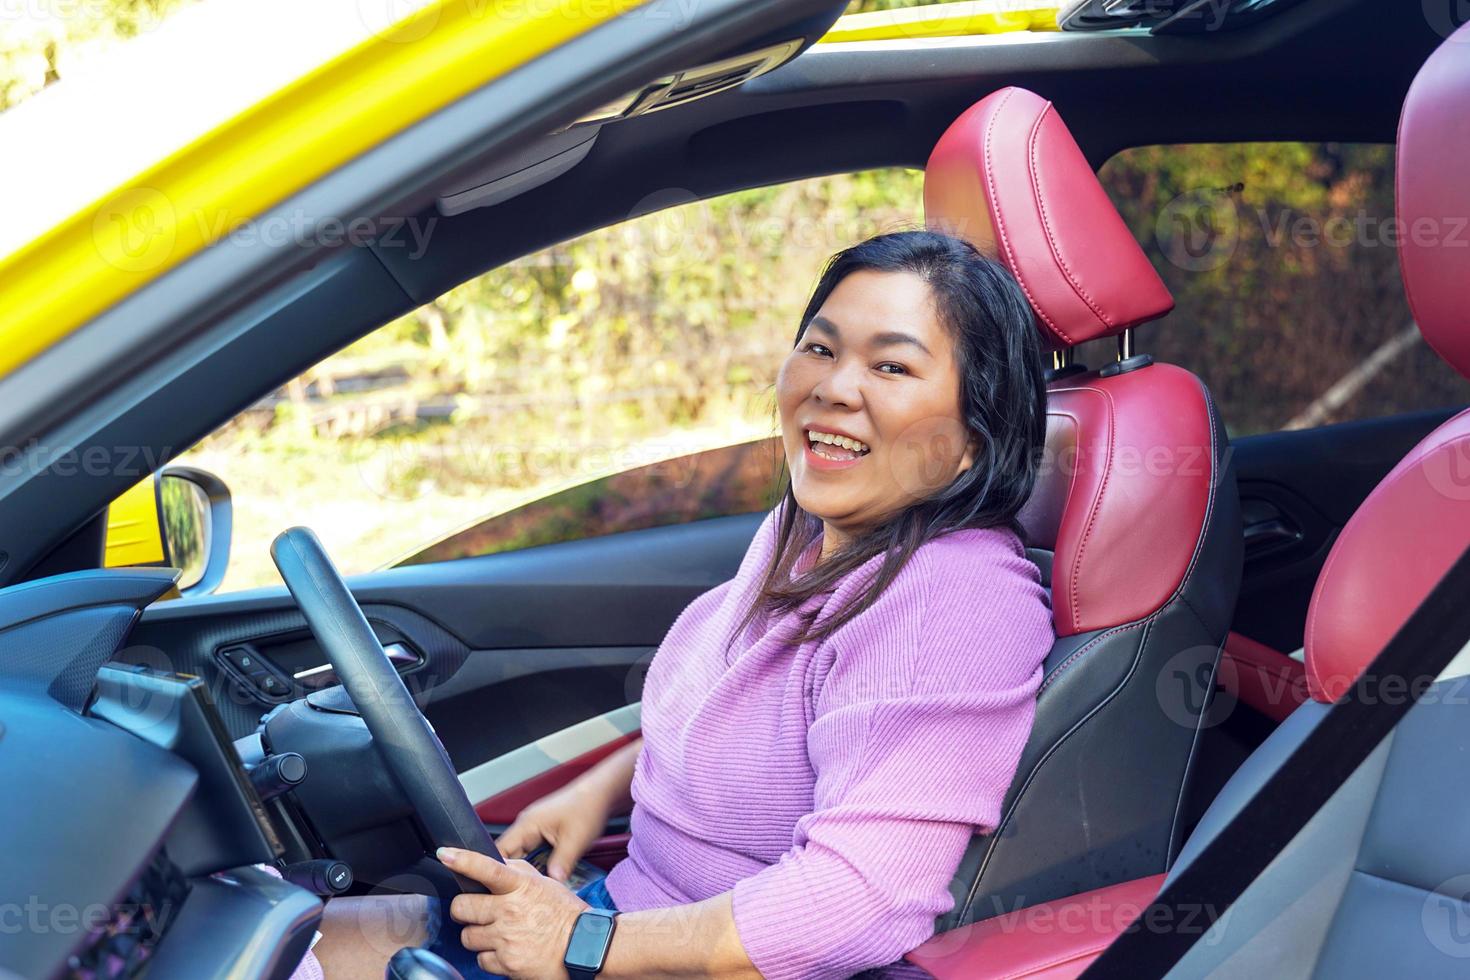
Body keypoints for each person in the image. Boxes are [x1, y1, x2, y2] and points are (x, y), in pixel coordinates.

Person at [309, 229, 1054, 979]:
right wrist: (604, 786)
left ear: (972, 442)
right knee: (294, 936)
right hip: (624, 912)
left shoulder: (949, 598)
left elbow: (855, 902)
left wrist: (581, 943)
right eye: (821, 349)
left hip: (649, 955)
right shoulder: (817, 534)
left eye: (892, 365)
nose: (832, 387)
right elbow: (759, 722)